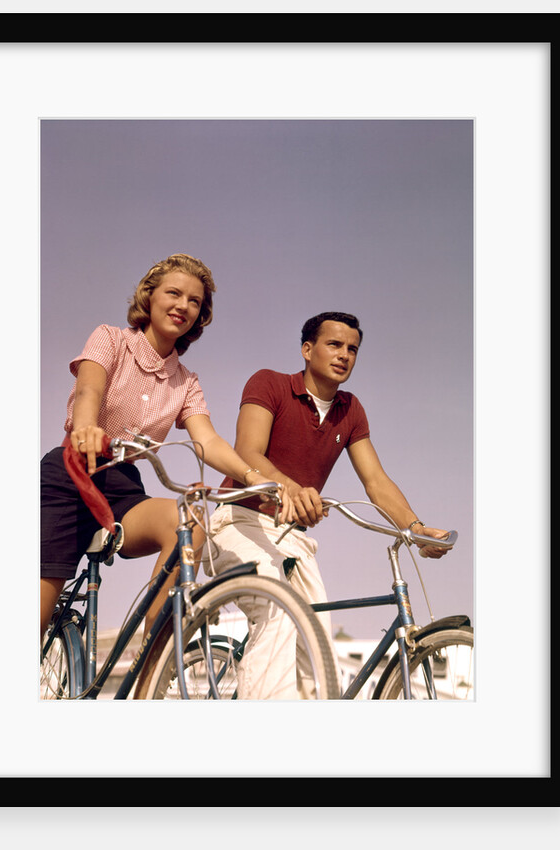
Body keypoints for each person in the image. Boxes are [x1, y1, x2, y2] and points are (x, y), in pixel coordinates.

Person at [203, 310, 451, 699]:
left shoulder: (350, 409)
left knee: (316, 650)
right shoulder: (269, 383)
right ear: (307, 349)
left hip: (292, 536)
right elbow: (247, 451)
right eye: (334, 344)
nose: (344, 355)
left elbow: (376, 481)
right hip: (239, 520)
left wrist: (415, 529)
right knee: (277, 612)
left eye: (352, 349)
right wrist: (291, 488)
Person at [40, 253, 288, 641]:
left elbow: (207, 440)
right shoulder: (110, 339)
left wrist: (254, 477)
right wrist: (86, 428)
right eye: (174, 293)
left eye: (194, 301)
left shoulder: (186, 381)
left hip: (123, 486)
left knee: (189, 524)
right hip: (71, 475)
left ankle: (149, 663)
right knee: (35, 616)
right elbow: (90, 387)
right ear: (149, 297)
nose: (183, 306)